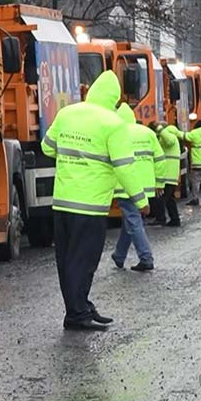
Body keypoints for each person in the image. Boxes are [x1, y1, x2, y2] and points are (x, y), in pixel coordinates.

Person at [41, 71, 148, 332]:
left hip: (63, 201)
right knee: (84, 260)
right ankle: (78, 315)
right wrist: (141, 200)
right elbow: (125, 167)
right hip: (90, 206)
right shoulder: (113, 123)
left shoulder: (68, 113)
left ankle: (79, 308)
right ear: (113, 98)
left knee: (66, 260)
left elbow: (47, 147)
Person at [111, 104, 160, 272]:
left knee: (133, 220)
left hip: (126, 186)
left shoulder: (117, 133)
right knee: (130, 221)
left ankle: (146, 258)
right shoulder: (148, 132)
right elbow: (159, 158)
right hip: (146, 186)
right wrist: (160, 183)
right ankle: (119, 256)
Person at [149, 121, 182, 227]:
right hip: (170, 173)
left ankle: (161, 219)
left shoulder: (169, 134)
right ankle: (174, 219)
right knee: (169, 199)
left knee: (160, 197)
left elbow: (170, 141)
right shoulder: (168, 136)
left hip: (167, 173)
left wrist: (159, 129)